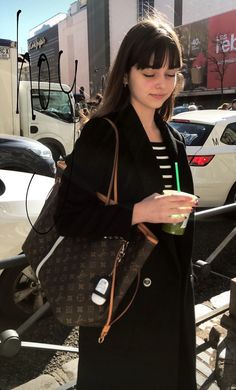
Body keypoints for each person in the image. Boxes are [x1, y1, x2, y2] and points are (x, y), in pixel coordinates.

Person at [54, 15, 197, 390]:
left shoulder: (173, 137)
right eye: (150, 73)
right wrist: (139, 212)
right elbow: (68, 218)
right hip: (122, 297)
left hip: (170, 295)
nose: (162, 84)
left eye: (171, 73)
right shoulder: (104, 132)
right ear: (125, 74)